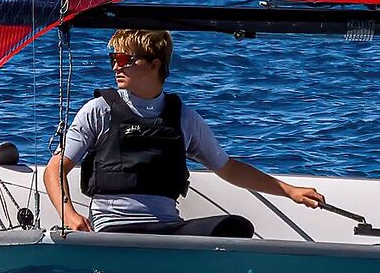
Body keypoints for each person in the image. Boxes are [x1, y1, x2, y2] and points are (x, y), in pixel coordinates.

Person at [42, 26, 325, 237]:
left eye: (126, 58)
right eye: (113, 58)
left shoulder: (184, 118)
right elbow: (54, 169)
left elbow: (228, 169)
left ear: (155, 64)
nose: (116, 65)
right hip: (112, 230)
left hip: (167, 231)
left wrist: (290, 191)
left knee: (237, 227)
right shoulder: (98, 110)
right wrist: (68, 214)